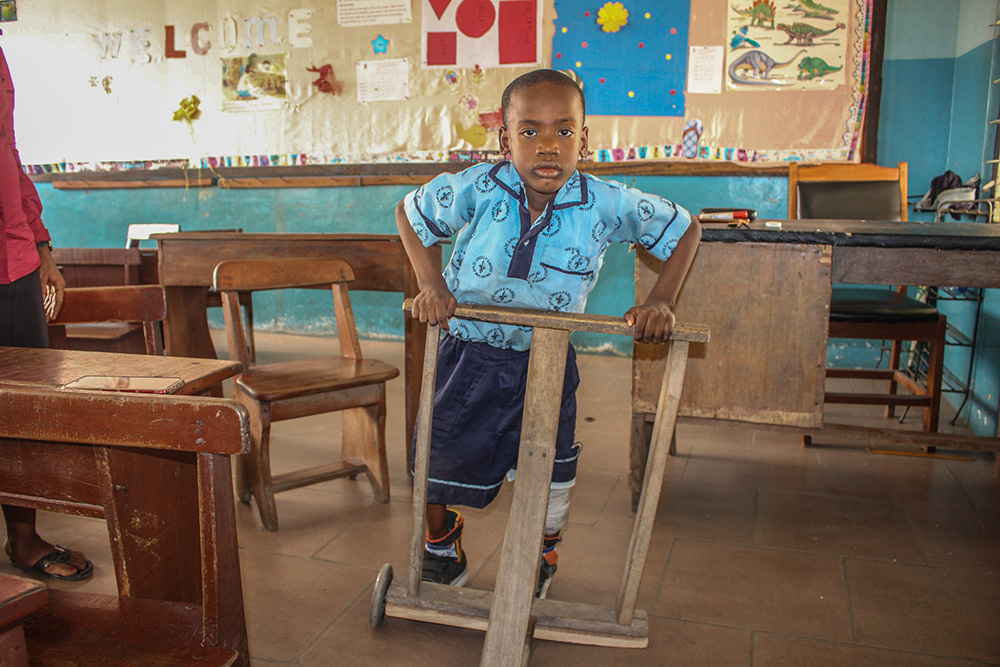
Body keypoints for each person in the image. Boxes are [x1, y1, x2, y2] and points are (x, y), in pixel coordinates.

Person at [395, 69, 701, 597]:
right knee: (435, 458)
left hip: (548, 359)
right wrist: (431, 283)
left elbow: (686, 228)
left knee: (550, 470)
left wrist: (660, 301)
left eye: (563, 131)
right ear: (504, 138)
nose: (548, 147)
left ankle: (541, 551)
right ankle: (440, 543)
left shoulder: (604, 202)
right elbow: (410, 211)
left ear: (584, 139)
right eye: (529, 131)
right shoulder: (479, 186)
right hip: (465, 353)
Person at [0, 44, 92, 581]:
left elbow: (8, 150)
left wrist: (39, 246)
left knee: (22, 408)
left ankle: (23, 537)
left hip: (10, 259)